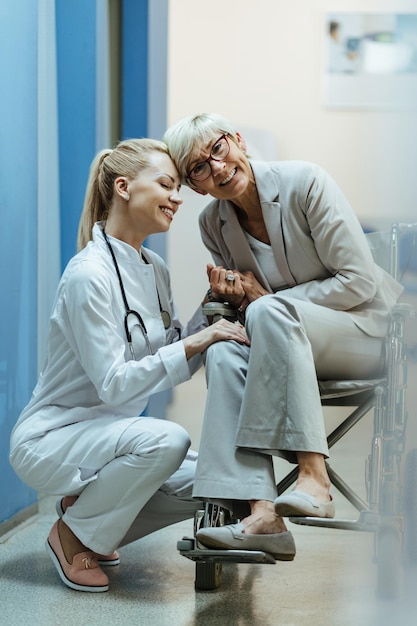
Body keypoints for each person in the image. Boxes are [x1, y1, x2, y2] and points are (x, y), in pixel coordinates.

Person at [9, 138, 249, 593]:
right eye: (166, 184)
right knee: (169, 439)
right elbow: (116, 384)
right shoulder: (87, 275)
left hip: (108, 438)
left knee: (218, 477)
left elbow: (173, 347)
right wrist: (199, 340)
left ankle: (87, 516)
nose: (177, 197)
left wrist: (213, 307)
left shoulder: (152, 266)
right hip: (53, 438)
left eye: (178, 187)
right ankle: (74, 535)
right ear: (123, 187)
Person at [163, 113, 403, 557]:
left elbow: (358, 282)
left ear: (236, 141)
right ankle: (261, 511)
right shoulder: (212, 223)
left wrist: (266, 298)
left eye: (217, 148)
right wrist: (232, 300)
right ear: (195, 187)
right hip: (283, 342)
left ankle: (315, 478)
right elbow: (254, 311)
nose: (215, 167)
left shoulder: (305, 183)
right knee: (223, 353)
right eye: (198, 167)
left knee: (270, 309)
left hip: (361, 333)